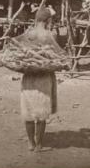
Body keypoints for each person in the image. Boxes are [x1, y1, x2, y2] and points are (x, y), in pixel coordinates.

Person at [20, 8, 60, 152]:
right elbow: (57, 55)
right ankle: (39, 144)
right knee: (42, 112)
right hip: (43, 75)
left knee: (28, 110)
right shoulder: (50, 35)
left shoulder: (28, 34)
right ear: (48, 20)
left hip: (29, 76)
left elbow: (20, 53)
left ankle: (30, 143)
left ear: (36, 19)